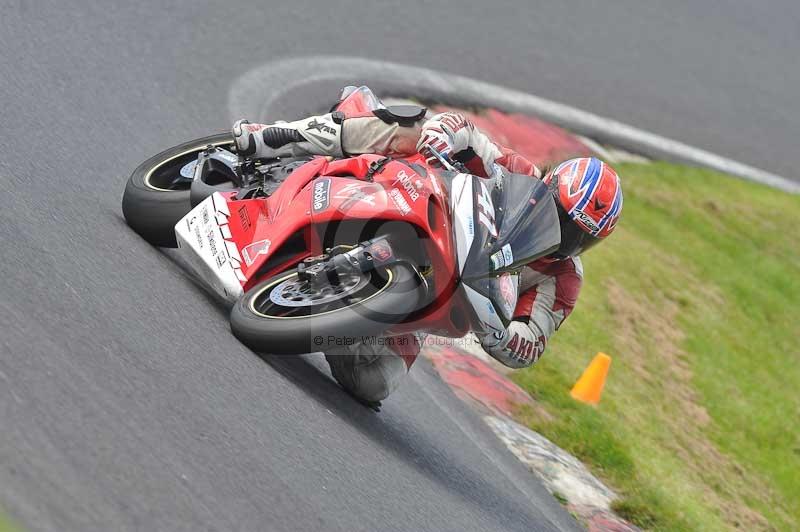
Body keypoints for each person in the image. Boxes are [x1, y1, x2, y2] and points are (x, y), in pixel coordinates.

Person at [232, 86, 623, 406]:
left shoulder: (562, 277)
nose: (564, 234)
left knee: (372, 385)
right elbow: (469, 134)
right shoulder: (517, 172)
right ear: (549, 187)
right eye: (561, 215)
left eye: (579, 236)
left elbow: (533, 338)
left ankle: (337, 313)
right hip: (416, 198)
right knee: (412, 128)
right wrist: (444, 134)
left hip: (429, 299)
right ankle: (277, 137)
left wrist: (504, 338)